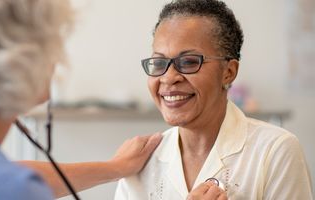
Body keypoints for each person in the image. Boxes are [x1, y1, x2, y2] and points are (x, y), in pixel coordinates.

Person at [0, 0, 163, 199]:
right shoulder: (3, 187)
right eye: (53, 43)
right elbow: (3, 183)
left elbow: (2, 173)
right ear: (19, 59)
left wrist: (114, 168)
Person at [115, 0, 313, 199]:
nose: (168, 77)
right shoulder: (140, 163)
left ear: (228, 72)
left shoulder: (275, 150)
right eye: (159, 62)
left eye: (189, 62)